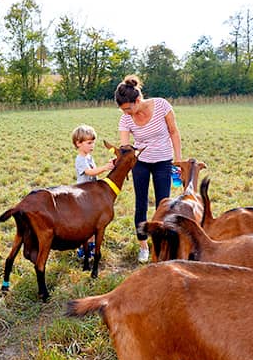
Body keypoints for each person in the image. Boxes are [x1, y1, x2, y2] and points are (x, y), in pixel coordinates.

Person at [115, 74, 183, 263]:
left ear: (138, 100)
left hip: (163, 160)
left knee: (164, 204)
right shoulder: (126, 119)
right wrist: (121, 159)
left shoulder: (161, 105)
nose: (127, 113)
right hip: (141, 163)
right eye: (123, 110)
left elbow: (174, 132)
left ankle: (162, 244)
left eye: (128, 108)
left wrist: (178, 159)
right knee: (141, 205)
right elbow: (125, 146)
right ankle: (143, 245)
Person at [72, 124, 115, 261]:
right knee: (86, 223)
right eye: (89, 143)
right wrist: (105, 168)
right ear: (78, 143)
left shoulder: (89, 157)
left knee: (93, 221)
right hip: (83, 195)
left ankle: (90, 245)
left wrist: (108, 165)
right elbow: (89, 172)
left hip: (92, 194)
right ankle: (82, 248)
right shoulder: (80, 159)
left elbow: (94, 171)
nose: (92, 146)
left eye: (93, 142)